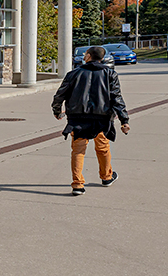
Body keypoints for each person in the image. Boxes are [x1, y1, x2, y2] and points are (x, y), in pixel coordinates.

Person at [52, 45, 131, 196]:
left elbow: (59, 95)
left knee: (78, 150)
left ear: (88, 56)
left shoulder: (73, 73)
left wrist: (57, 110)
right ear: (102, 58)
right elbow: (116, 98)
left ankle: (77, 185)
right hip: (102, 118)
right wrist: (124, 120)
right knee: (103, 148)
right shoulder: (110, 74)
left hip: (78, 119)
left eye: (85, 54)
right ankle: (107, 177)